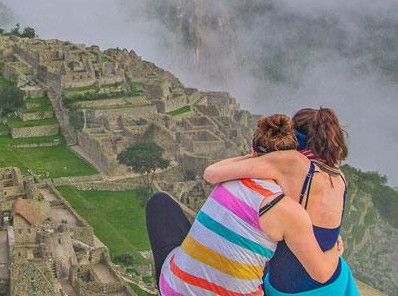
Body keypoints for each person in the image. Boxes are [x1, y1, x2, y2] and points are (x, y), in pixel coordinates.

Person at [146, 114, 343, 296]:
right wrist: (336, 251)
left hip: (176, 290)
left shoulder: (228, 179)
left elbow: (211, 172)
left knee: (160, 203)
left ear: (252, 151)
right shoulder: (290, 213)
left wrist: (258, 158)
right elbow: (322, 274)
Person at [203, 107, 358, 295]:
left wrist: (254, 157)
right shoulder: (338, 176)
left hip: (291, 289)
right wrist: (333, 250)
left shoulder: (293, 162)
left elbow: (212, 174)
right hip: (337, 281)